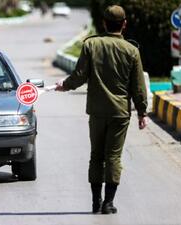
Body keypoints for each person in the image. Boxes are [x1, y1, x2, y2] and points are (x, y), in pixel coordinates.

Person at [55, 5, 148, 214]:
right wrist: (142, 112)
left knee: (96, 155)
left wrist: (65, 85)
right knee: (113, 157)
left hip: (97, 111)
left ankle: (95, 201)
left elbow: (79, 75)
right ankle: (108, 203)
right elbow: (139, 87)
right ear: (124, 24)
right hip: (120, 113)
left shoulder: (91, 45)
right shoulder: (132, 51)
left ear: (104, 23)